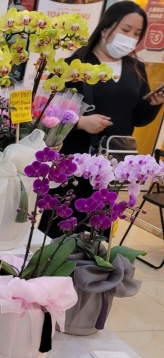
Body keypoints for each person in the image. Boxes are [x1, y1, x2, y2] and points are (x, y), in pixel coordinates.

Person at [39, 1, 164, 238]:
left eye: (137, 34)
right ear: (105, 28)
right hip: (74, 162)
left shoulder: (135, 68)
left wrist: (153, 104)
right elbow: (49, 115)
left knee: (95, 234)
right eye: (126, 30)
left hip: (111, 166)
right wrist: (81, 123)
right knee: (60, 227)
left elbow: (137, 119)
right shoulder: (75, 65)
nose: (131, 38)